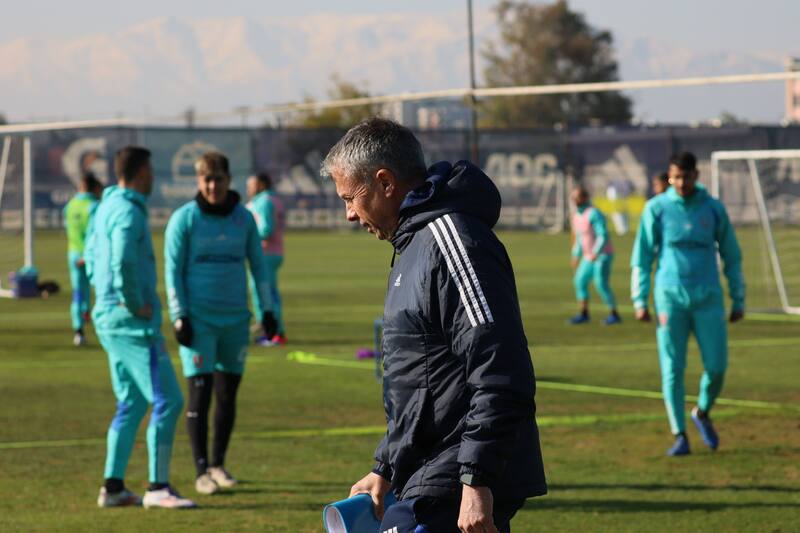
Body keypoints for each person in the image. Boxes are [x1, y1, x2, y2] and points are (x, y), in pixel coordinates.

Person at [322, 118, 546, 533]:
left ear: (386, 182)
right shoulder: (412, 247)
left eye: (351, 198)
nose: (349, 214)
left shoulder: (453, 242)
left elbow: (500, 369)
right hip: (428, 473)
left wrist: (476, 482)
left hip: (454, 477)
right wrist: (386, 466)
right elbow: (424, 380)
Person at [85, 146, 195, 509]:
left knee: (131, 402)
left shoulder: (103, 207)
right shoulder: (129, 212)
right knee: (169, 400)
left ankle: (112, 487)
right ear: (140, 172)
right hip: (130, 321)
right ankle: (157, 486)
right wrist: (133, 303)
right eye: (150, 171)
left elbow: (89, 258)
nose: (153, 178)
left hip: (108, 316)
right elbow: (121, 262)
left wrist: (102, 297)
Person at [165, 152, 277, 495]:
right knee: (199, 393)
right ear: (199, 182)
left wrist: (267, 311)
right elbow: (173, 271)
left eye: (218, 179)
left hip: (234, 321)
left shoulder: (244, 219)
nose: (213, 186)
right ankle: (201, 471)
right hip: (198, 321)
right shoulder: (184, 219)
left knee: (228, 395)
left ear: (229, 180)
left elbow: (259, 269)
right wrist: (179, 315)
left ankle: (218, 464)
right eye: (206, 180)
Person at [631, 151, 745, 457]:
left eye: (686, 176)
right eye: (676, 177)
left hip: (708, 298)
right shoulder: (657, 209)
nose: (681, 182)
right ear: (670, 177)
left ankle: (702, 412)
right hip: (670, 298)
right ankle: (679, 433)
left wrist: (738, 296)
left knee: (717, 366)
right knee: (673, 368)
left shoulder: (713, 209)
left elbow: (732, 255)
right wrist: (639, 298)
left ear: (696, 176)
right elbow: (642, 256)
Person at [569, 185, 620, 325]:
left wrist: (595, 252)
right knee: (579, 281)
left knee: (601, 284)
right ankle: (584, 313)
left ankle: (614, 314)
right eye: (573, 197)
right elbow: (580, 238)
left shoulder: (594, 213)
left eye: (577, 197)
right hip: (588, 256)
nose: (575, 200)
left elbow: (603, 235)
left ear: (585, 197)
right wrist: (576, 255)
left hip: (602, 255)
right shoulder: (577, 216)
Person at [246, 171, 287, 345]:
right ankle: (270, 328)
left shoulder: (263, 202)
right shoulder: (274, 200)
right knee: (268, 292)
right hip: (274, 252)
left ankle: (273, 331)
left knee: (264, 292)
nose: (248, 189)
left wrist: (247, 238)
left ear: (261, 184)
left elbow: (266, 229)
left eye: (251, 185)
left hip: (265, 253)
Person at [63, 171, 103, 346]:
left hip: (73, 253)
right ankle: (89, 315)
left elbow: (68, 227)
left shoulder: (70, 205)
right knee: (100, 289)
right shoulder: (93, 206)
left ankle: (78, 330)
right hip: (89, 255)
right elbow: (94, 233)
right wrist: (87, 254)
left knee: (78, 292)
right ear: (95, 188)